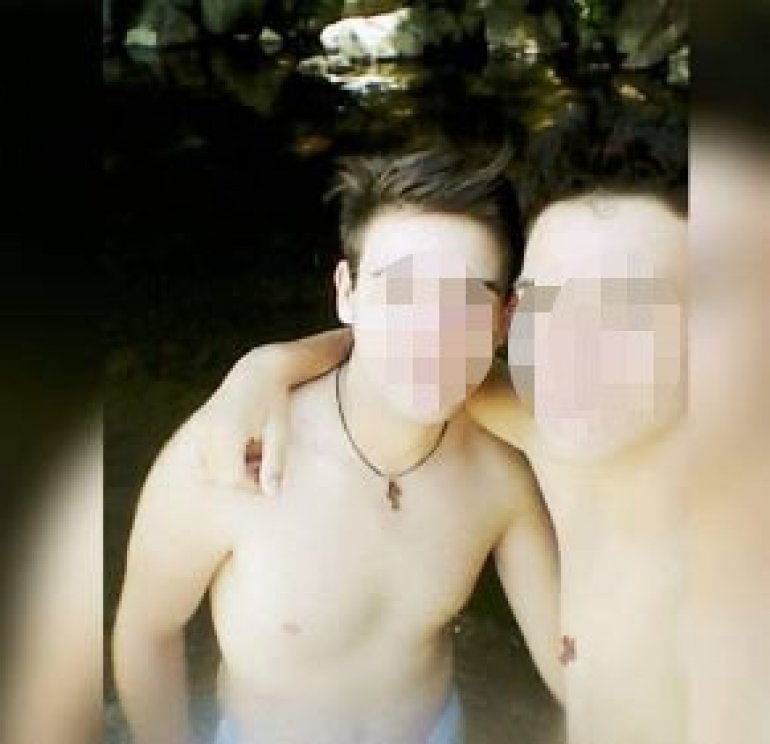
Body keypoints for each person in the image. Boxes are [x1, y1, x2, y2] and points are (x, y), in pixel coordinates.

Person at [201, 102, 689, 744]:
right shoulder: (552, 427)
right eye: (546, 299)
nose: (569, 345)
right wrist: (268, 365)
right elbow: (411, 350)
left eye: (628, 308)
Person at [113, 147, 565, 744]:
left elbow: (572, 665)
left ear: (505, 318)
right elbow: (148, 632)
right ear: (346, 293)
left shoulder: (501, 473)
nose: (432, 331)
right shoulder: (235, 453)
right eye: (401, 290)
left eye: (466, 298)